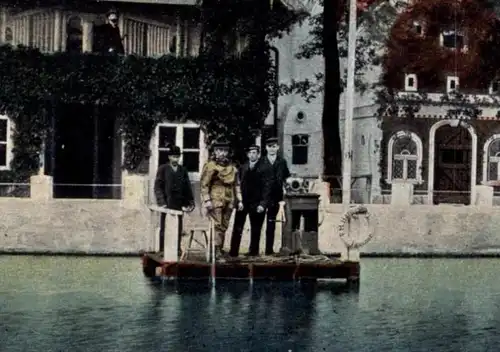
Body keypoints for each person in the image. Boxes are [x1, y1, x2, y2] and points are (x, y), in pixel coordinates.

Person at [200, 139, 243, 260]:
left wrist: (240, 200)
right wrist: (207, 200)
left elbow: (237, 185)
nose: (222, 153)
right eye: (219, 150)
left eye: (224, 151)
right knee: (217, 225)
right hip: (216, 199)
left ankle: (219, 248)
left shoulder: (233, 168)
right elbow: (204, 185)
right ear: (215, 151)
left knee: (224, 225)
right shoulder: (210, 166)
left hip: (229, 199)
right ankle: (216, 250)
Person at [229, 145, 273, 257]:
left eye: (254, 153)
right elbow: (238, 185)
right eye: (250, 153)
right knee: (237, 227)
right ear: (247, 154)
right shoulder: (243, 167)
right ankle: (233, 252)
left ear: (258, 155)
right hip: (243, 203)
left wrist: (263, 204)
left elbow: (267, 188)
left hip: (257, 203)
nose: (252, 155)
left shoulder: (265, 168)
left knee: (256, 229)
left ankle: (253, 252)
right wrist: (239, 201)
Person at [154, 145, 195, 250]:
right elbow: (157, 187)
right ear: (169, 157)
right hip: (167, 203)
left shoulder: (183, 170)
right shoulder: (163, 169)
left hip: (178, 203)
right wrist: (161, 201)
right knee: (165, 227)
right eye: (173, 157)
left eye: (177, 157)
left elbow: (187, 187)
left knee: (178, 227)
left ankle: (177, 249)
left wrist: (190, 202)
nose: (175, 159)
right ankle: (162, 249)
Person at [261, 137, 291, 255]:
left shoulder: (282, 162)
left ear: (277, 148)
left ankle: (269, 249)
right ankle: (253, 250)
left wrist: (285, 193)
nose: (272, 149)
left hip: (276, 197)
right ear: (266, 148)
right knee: (258, 224)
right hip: (262, 198)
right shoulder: (261, 162)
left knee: (271, 223)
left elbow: (286, 178)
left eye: (274, 146)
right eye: (269, 146)